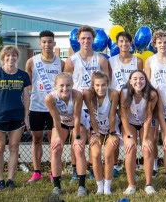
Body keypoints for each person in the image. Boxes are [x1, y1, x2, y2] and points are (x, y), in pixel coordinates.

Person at [64, 25, 109, 181]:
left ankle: (91, 168)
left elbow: (107, 82)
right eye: (83, 38)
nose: (86, 41)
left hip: (96, 105)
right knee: (77, 137)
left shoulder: (101, 59)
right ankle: (75, 169)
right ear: (78, 39)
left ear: (93, 39)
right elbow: (66, 82)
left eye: (89, 38)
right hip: (78, 105)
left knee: (93, 139)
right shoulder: (71, 60)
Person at [0, 46, 31, 191]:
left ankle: (10, 179)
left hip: (17, 116)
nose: (11, 58)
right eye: (8, 56)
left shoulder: (23, 75)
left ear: (17, 57)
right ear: (3, 57)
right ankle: (0, 180)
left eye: (13, 56)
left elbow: (26, 97)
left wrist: (26, 117)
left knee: (14, 148)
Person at [25, 31, 64, 183]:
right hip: (36, 106)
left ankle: (53, 172)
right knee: (36, 139)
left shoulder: (60, 63)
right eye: (44, 42)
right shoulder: (31, 62)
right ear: (40, 44)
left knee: (53, 140)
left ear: (54, 43)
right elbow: (27, 85)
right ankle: (37, 172)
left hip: (54, 108)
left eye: (50, 42)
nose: (47, 45)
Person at [45, 73, 90, 196]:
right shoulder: (50, 98)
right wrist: (59, 137)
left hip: (78, 122)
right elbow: (56, 120)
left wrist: (78, 137)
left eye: (68, 85)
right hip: (61, 123)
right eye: (61, 86)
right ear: (55, 86)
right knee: (55, 149)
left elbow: (76, 117)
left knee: (78, 148)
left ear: (72, 85)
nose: (65, 88)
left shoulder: (77, 95)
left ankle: (81, 186)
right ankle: (57, 186)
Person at [120, 70, 164, 195]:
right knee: (130, 148)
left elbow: (148, 116)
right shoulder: (123, 93)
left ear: (146, 80)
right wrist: (128, 136)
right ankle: (131, 185)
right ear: (130, 81)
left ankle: (149, 184)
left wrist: (145, 139)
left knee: (147, 148)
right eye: (135, 79)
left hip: (145, 122)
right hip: (129, 123)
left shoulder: (152, 94)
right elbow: (123, 116)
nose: (138, 81)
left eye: (141, 78)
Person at [144, 30, 166, 176]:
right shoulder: (150, 60)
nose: (162, 45)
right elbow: (146, 82)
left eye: (165, 42)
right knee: (152, 136)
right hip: (154, 100)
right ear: (155, 44)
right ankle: (154, 165)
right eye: (159, 42)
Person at [108, 31, 142, 177]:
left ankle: (131, 167)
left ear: (131, 43)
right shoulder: (111, 61)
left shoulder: (137, 61)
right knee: (115, 133)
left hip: (132, 102)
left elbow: (140, 81)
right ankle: (115, 166)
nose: (124, 44)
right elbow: (109, 81)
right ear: (117, 44)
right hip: (115, 102)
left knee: (131, 135)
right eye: (121, 41)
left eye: (127, 41)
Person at [83, 72, 120, 195]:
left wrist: (112, 132)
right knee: (95, 154)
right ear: (93, 85)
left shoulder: (113, 93)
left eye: (103, 85)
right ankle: (99, 185)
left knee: (109, 154)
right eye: (97, 85)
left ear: (108, 84)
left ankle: (107, 186)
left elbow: (112, 114)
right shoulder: (88, 94)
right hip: (96, 127)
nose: (100, 88)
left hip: (111, 126)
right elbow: (92, 116)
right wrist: (95, 133)